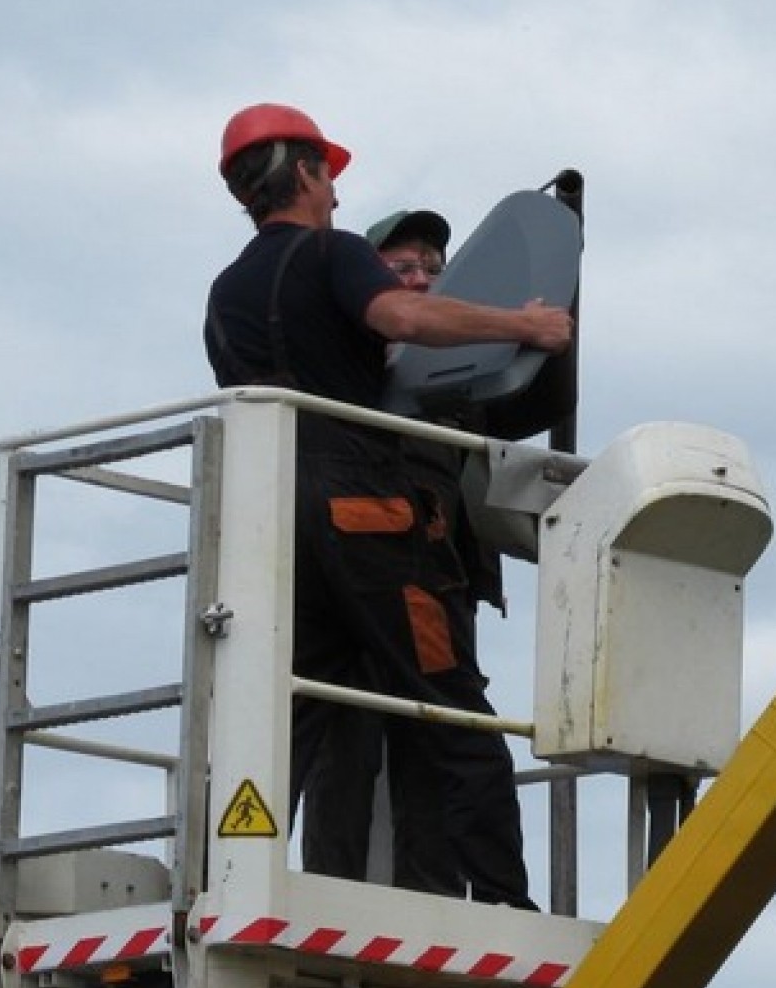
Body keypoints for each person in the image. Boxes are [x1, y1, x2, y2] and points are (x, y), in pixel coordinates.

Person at [204, 104, 570, 908]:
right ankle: (507, 902)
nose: (335, 192)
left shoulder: (226, 291)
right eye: (327, 174)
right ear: (303, 173)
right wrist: (525, 325)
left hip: (273, 521)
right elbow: (401, 317)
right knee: (452, 706)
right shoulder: (332, 254)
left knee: (297, 707)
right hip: (365, 512)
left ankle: (227, 881)